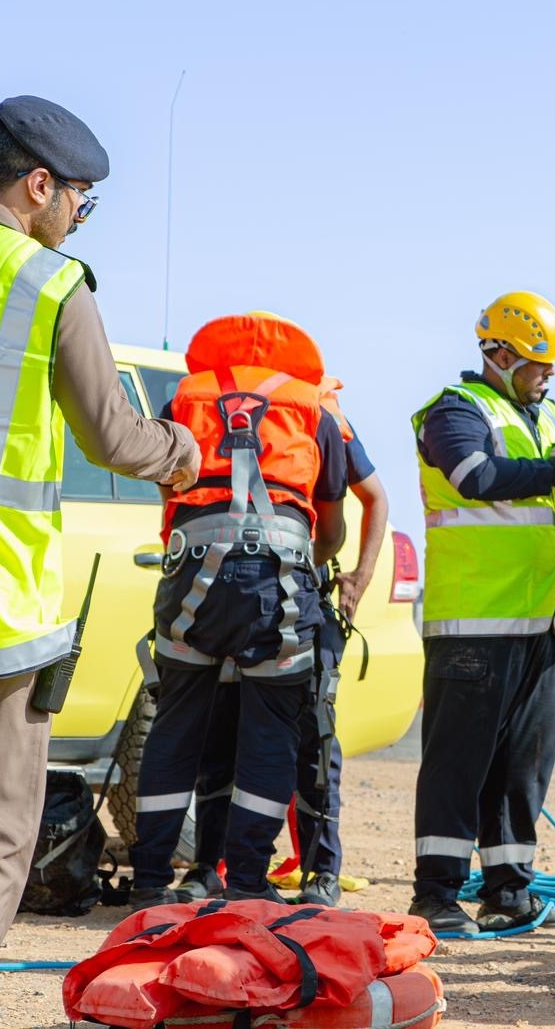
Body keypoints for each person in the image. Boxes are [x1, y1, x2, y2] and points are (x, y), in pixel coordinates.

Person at [0, 95, 199, 1021]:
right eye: (79, 199)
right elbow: (111, 432)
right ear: (39, 187)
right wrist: (179, 454)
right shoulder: (47, 284)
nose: (77, 216)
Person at [129, 312, 348, 908]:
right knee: (270, 732)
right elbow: (332, 527)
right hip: (274, 589)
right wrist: (305, 558)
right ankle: (249, 882)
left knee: (175, 726)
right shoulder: (312, 405)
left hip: (190, 576)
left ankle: (150, 881)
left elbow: (171, 495)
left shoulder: (188, 397)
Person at [409, 291, 555, 934]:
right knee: (459, 763)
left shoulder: (542, 417)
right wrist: (553, 470)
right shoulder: (455, 411)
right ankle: (434, 894)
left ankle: (507, 891)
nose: (549, 375)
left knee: (523, 767)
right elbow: (473, 475)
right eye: (538, 363)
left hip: (541, 625)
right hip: (474, 625)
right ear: (500, 353)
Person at [181, 369, 389, 907]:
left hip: (296, 603)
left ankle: (321, 872)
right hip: (238, 599)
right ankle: (212, 868)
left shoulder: (317, 411)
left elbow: (373, 498)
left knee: (310, 737)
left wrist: (352, 575)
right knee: (221, 735)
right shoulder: (228, 407)